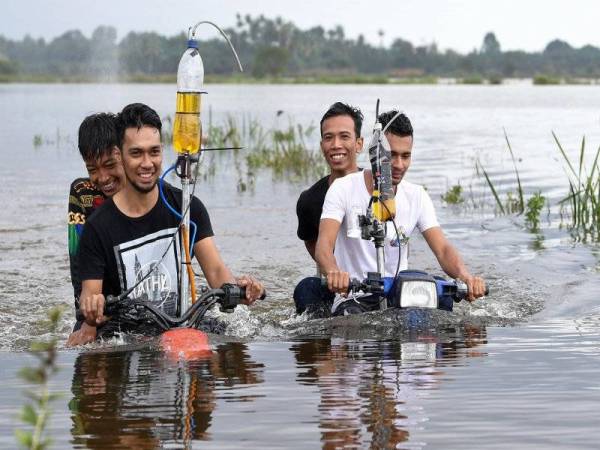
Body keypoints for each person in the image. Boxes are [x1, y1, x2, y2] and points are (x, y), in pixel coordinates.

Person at [67, 103, 265, 346]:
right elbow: (88, 290)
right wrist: (90, 310)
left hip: (178, 321)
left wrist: (241, 289)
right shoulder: (96, 226)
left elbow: (215, 272)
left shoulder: (187, 207)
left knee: (233, 347)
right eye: (137, 153)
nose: (147, 163)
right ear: (122, 153)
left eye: (154, 152)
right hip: (122, 324)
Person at [297, 109, 486, 315]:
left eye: (406, 156)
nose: (399, 165)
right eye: (391, 155)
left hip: (402, 294)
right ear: (375, 153)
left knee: (444, 307)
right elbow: (324, 245)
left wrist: (466, 277)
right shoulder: (342, 188)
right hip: (354, 295)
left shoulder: (417, 195)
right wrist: (334, 273)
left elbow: (442, 249)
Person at [293, 102, 363, 313]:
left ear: (359, 144)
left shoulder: (377, 191)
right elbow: (312, 242)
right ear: (322, 144)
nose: (335, 145)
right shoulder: (309, 200)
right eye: (328, 137)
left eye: (344, 136)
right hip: (337, 286)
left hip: (375, 283)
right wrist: (334, 272)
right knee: (306, 289)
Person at [68, 113, 125, 311]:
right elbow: (78, 260)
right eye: (92, 169)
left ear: (125, 154)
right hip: (98, 297)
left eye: (110, 165)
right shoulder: (83, 193)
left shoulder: (145, 187)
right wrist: (86, 316)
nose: (102, 178)